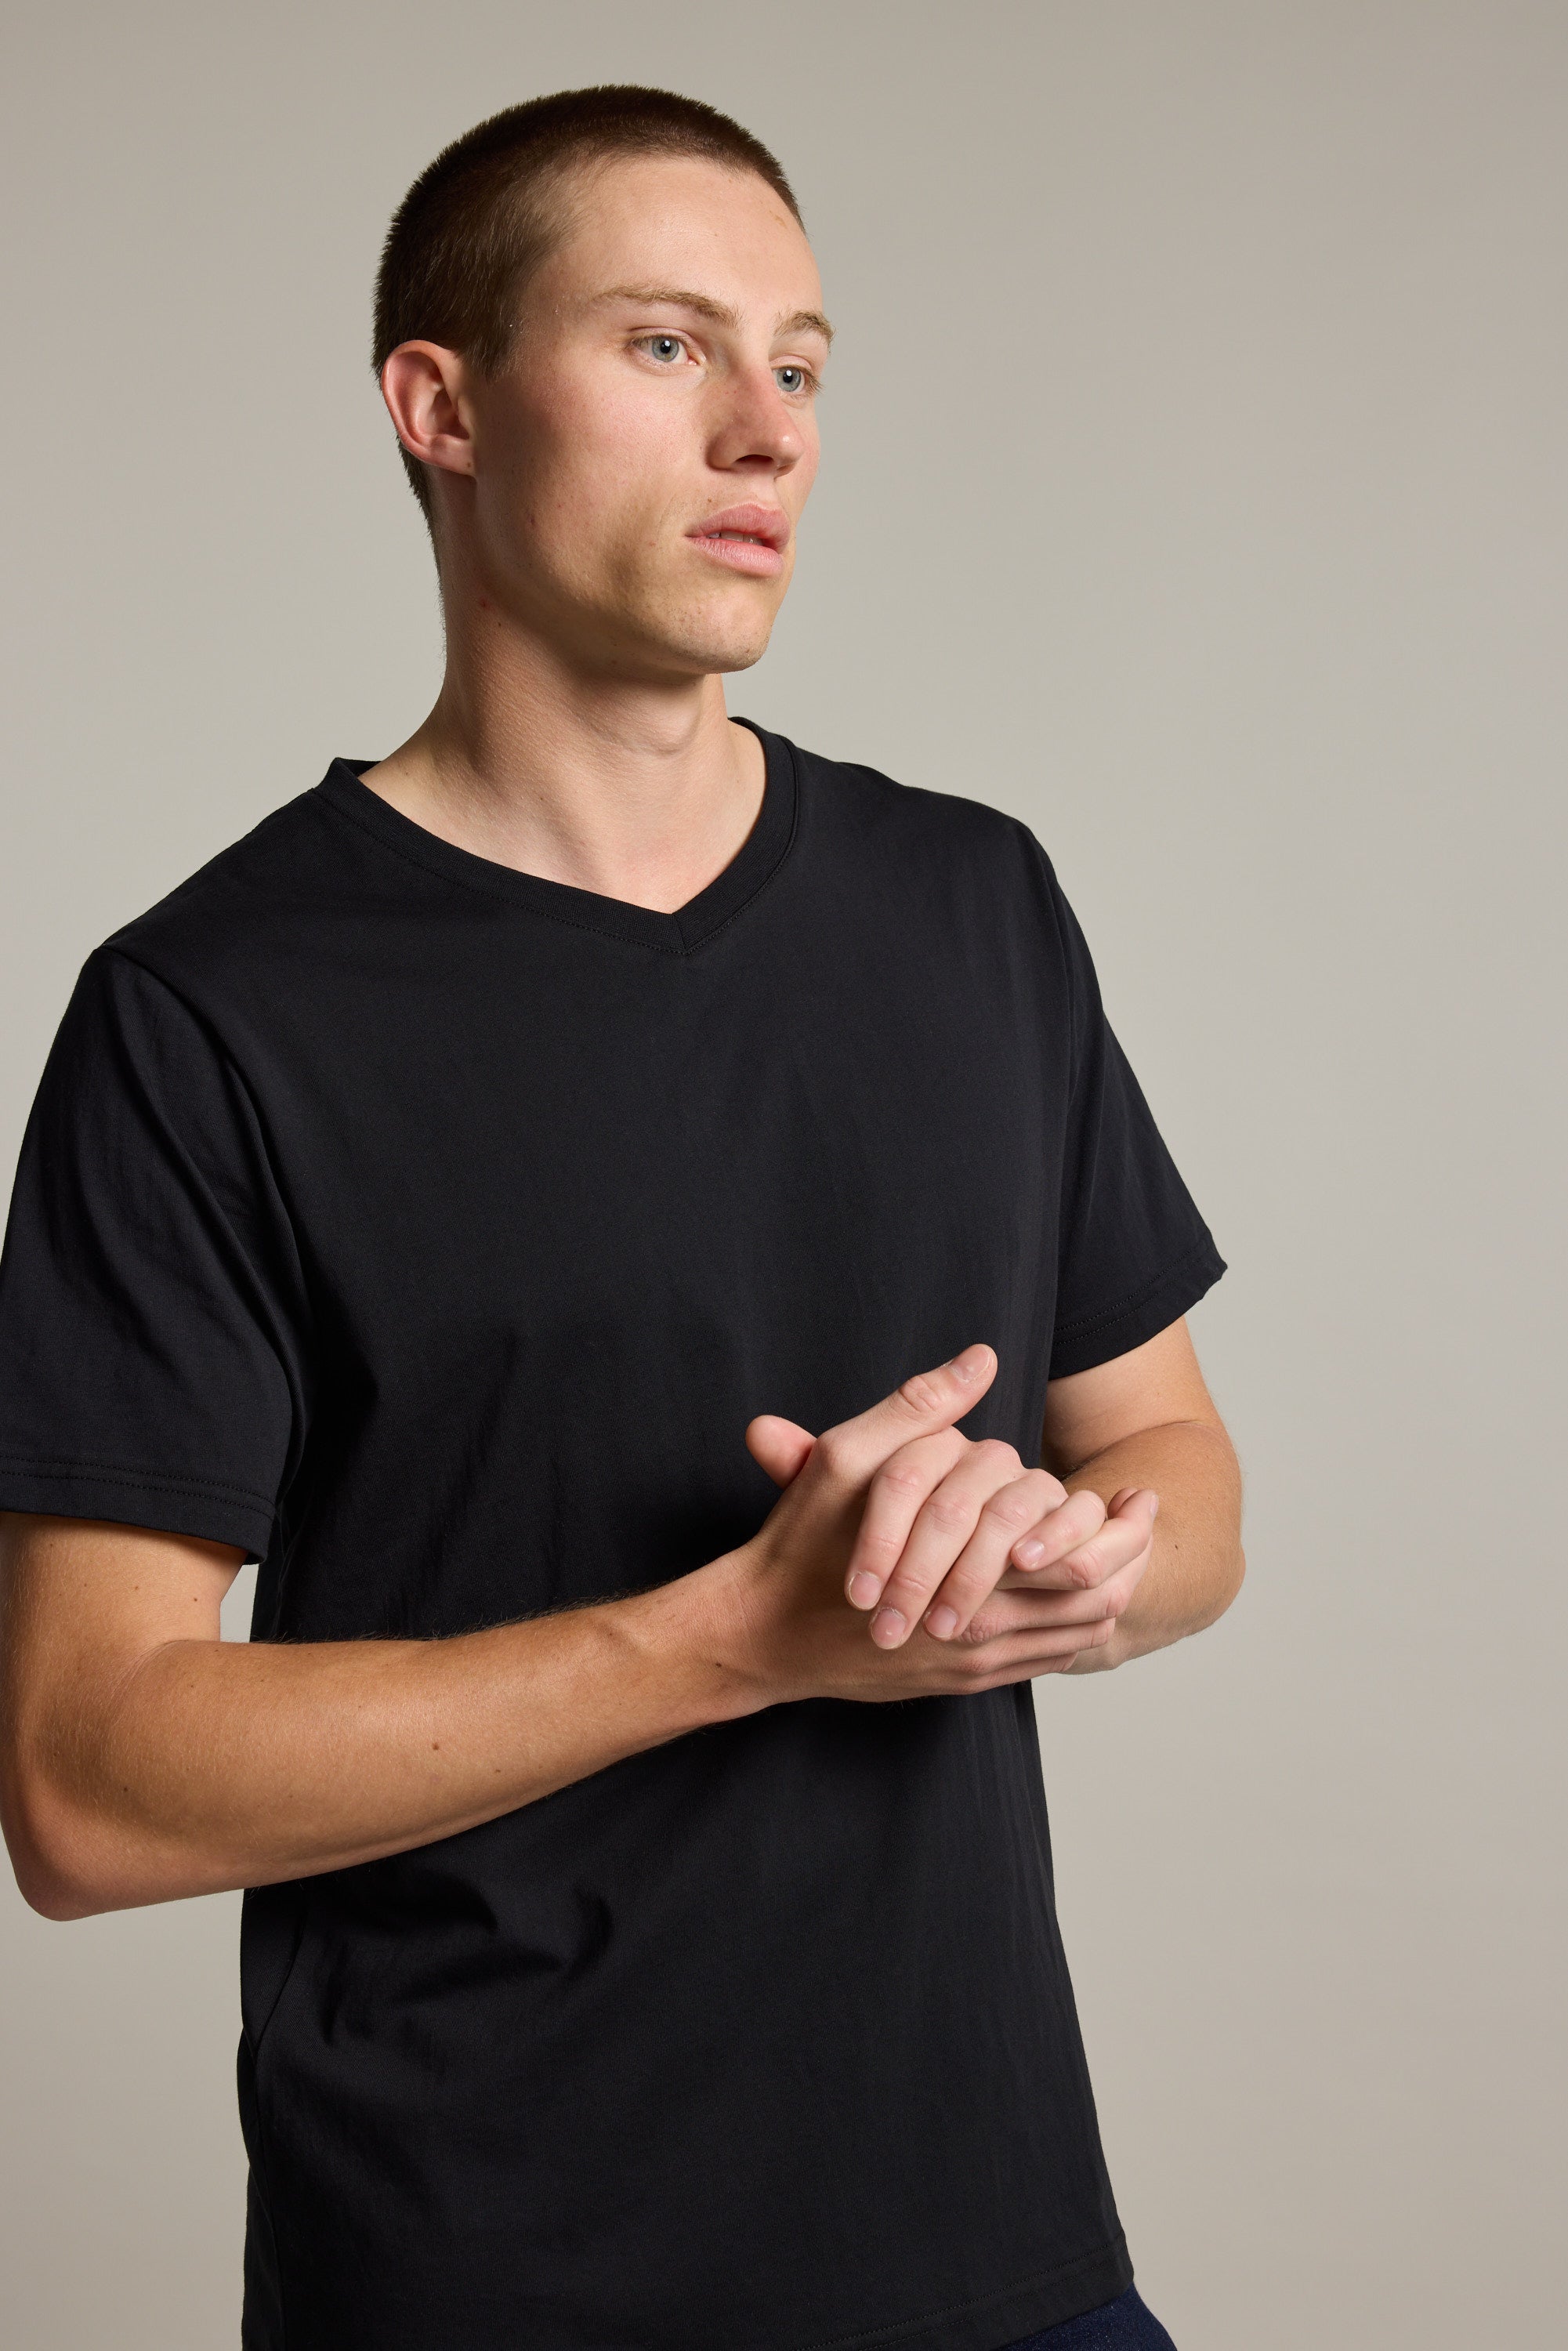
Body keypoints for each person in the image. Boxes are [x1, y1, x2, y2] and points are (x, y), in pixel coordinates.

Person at [0, 85, 1244, 2351]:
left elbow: (1181, 1474)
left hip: (1004, 2270)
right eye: (669, 347)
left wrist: (1068, 1568)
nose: (768, 431)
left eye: (801, 361)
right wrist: (742, 1639)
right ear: (440, 405)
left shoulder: (973, 905)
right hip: (487, 2287)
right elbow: (86, 1789)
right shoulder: (204, 1015)